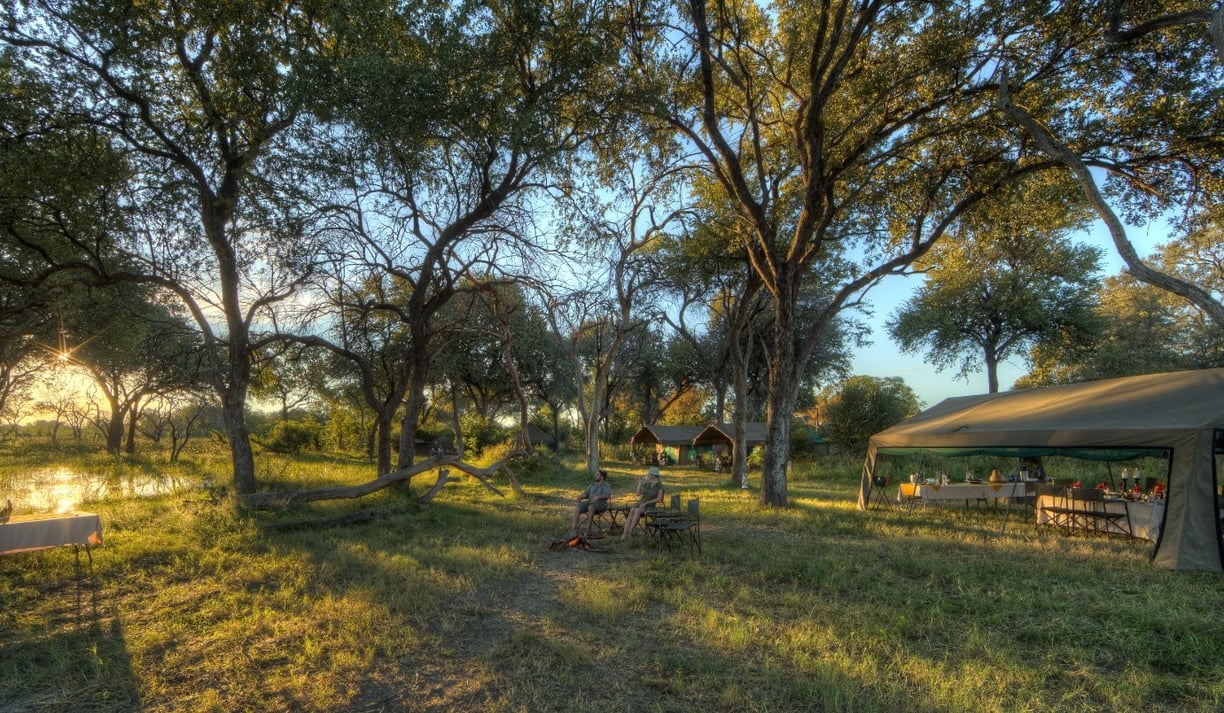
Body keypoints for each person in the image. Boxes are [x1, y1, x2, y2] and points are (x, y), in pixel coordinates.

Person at [622, 466, 665, 539]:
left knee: (637, 510)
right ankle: (625, 533)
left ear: (655, 476)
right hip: (641, 503)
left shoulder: (659, 486)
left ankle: (630, 532)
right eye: (649, 474)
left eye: (650, 474)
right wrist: (640, 483)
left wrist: (646, 503)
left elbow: (659, 499)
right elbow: (638, 493)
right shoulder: (647, 483)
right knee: (632, 510)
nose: (648, 475)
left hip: (650, 506)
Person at [569, 469, 612, 537]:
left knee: (591, 507)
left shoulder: (606, 485)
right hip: (590, 502)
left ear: (602, 477)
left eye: (597, 475)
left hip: (601, 505)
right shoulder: (592, 485)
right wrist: (580, 497)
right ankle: (574, 528)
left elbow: (607, 495)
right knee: (578, 507)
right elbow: (586, 494)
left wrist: (598, 497)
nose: (595, 476)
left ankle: (587, 530)